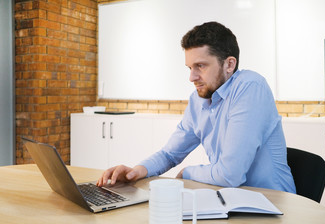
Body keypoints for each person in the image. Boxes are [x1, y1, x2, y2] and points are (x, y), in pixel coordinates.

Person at [97, 21, 296, 193]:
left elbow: (230, 174)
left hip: (272, 204)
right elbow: (170, 154)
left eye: (200, 66)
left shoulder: (250, 87)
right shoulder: (198, 100)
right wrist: (137, 171)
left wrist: (187, 172)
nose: (191, 77)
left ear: (229, 64)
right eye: (190, 68)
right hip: (230, 199)